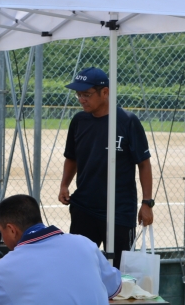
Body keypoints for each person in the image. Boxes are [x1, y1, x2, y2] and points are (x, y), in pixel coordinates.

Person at [58, 67, 153, 268]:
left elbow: (144, 164)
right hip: (84, 207)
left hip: (120, 211)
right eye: (78, 94)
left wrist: (147, 203)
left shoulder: (127, 121)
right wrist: (64, 185)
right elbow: (71, 157)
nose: (81, 99)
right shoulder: (79, 121)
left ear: (105, 92)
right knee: (78, 266)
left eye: (86, 94)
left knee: (120, 270)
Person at [0, 194, 122, 305]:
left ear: (12, 230)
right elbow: (115, 286)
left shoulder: (5, 268)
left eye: (1, 231)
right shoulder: (85, 244)